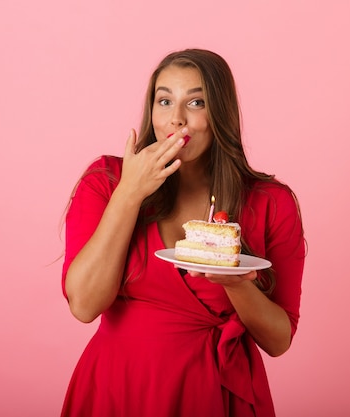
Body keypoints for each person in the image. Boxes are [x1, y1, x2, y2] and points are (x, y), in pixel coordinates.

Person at [60, 48, 305, 417]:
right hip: (119, 387)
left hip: (217, 394)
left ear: (220, 113)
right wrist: (130, 193)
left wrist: (235, 282)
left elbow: (278, 340)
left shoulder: (271, 202)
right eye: (164, 101)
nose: (175, 119)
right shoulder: (107, 181)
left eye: (195, 102)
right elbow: (84, 305)